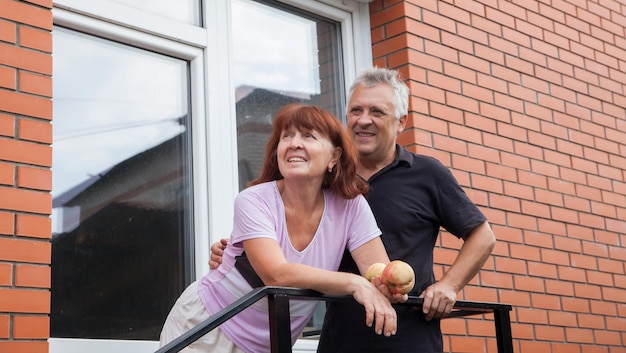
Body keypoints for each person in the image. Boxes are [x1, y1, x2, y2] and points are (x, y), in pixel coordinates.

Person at [210, 68, 496, 352]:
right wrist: (238, 252)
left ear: (401, 122)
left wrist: (449, 285)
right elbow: (284, 238)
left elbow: (483, 235)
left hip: (404, 331)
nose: (363, 120)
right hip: (339, 334)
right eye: (355, 110)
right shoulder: (323, 180)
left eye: (377, 112)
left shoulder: (426, 174)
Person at [160, 103, 406, 353]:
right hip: (207, 327)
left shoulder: (351, 207)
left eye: (308, 135)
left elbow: (378, 273)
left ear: (334, 157)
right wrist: (355, 283)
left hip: (268, 345)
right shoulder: (253, 200)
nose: (294, 143)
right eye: (287, 136)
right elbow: (276, 275)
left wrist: (387, 287)